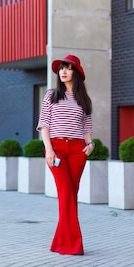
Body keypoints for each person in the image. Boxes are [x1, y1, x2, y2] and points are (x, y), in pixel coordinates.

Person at [37, 54, 94, 255]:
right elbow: (43, 124)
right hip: (57, 148)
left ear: (76, 73)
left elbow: (87, 124)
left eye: (68, 68)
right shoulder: (51, 95)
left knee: (71, 195)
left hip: (78, 150)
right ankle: (73, 245)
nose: (63, 71)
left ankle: (59, 242)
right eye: (61, 68)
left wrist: (90, 143)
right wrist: (49, 150)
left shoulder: (83, 99)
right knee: (66, 193)